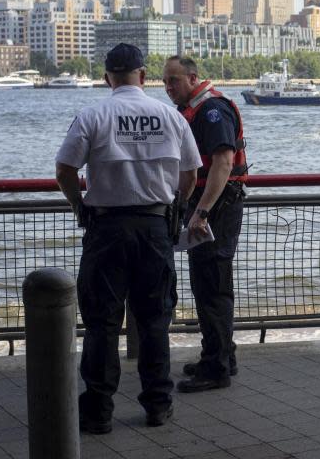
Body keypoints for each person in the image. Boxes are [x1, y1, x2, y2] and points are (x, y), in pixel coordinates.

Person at [55, 43, 201, 433]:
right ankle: (157, 404)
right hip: (155, 228)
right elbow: (190, 172)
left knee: (102, 322)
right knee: (155, 320)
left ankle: (98, 411)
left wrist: (78, 204)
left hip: (106, 230)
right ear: (143, 75)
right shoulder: (170, 117)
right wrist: (179, 206)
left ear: (107, 78)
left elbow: (65, 168)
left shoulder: (93, 115)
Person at [162, 55, 249, 393]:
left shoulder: (211, 110)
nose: (168, 88)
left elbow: (223, 163)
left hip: (216, 209)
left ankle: (216, 369)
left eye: (174, 81)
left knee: (211, 285)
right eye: (165, 81)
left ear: (193, 78)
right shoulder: (200, 108)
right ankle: (222, 355)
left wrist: (202, 212)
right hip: (212, 207)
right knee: (210, 283)